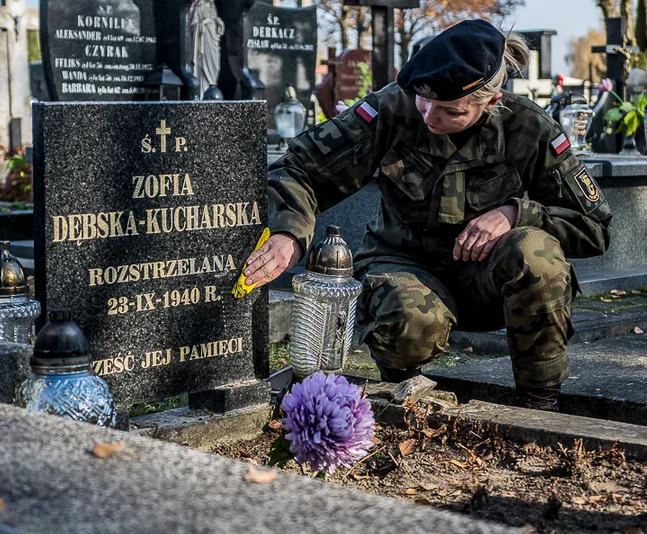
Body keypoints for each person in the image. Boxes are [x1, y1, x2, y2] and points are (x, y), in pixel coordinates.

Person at [244, 20, 612, 411]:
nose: (429, 116)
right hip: (404, 268)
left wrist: (515, 212)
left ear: (490, 102)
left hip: (486, 280)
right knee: (412, 319)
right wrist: (288, 233)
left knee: (536, 254)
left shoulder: (528, 127)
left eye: (450, 110)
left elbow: (595, 227)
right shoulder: (393, 107)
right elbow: (299, 167)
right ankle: (398, 392)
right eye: (424, 100)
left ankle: (540, 405)